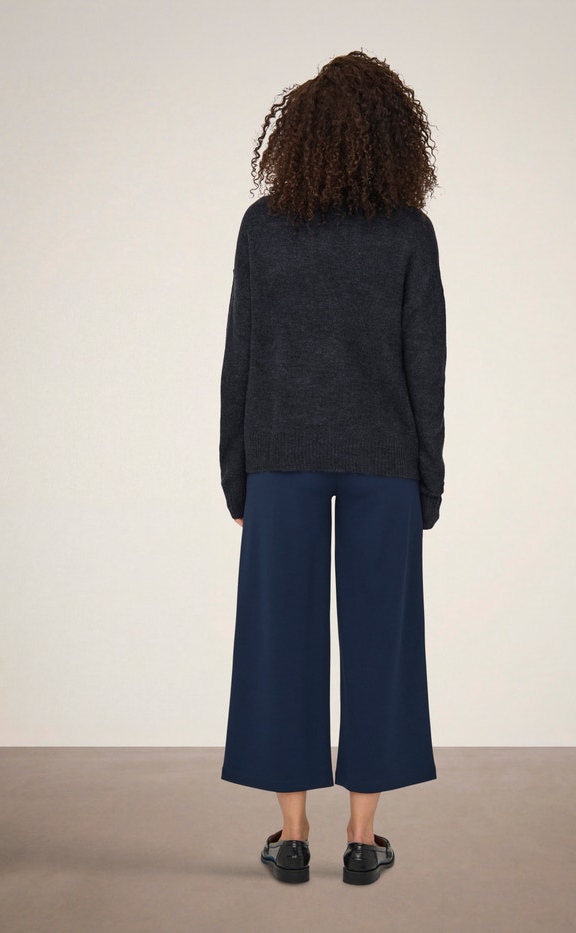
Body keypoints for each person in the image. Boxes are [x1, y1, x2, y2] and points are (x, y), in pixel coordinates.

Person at [218, 49, 446, 886]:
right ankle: (361, 837)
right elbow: (426, 365)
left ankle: (291, 836)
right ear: (396, 137)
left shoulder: (263, 226)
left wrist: (235, 472)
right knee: (383, 642)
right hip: (384, 463)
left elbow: (240, 358)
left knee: (280, 640)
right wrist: (429, 477)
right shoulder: (408, 231)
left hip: (280, 461)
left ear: (300, 132)